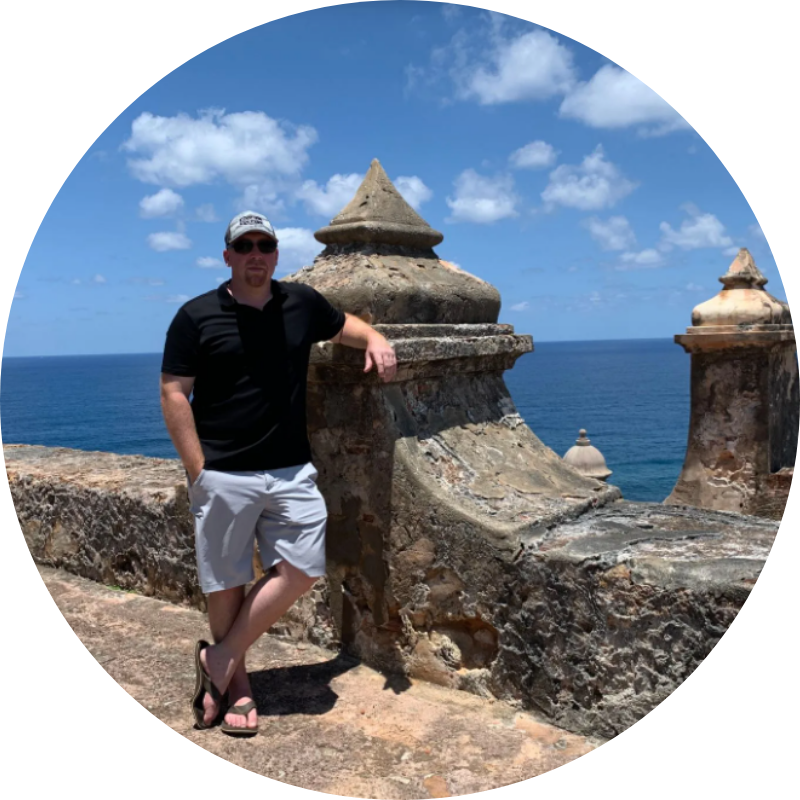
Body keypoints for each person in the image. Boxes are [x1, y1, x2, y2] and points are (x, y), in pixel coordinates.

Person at [160, 211, 396, 736]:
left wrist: (376, 337)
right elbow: (174, 391)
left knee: (304, 567)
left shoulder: (301, 302)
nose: (255, 253)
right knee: (226, 582)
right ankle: (238, 688)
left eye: (264, 244)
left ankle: (216, 660)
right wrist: (198, 470)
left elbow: (343, 326)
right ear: (227, 256)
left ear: (275, 253)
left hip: (290, 470)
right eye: (244, 245)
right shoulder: (196, 316)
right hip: (223, 473)